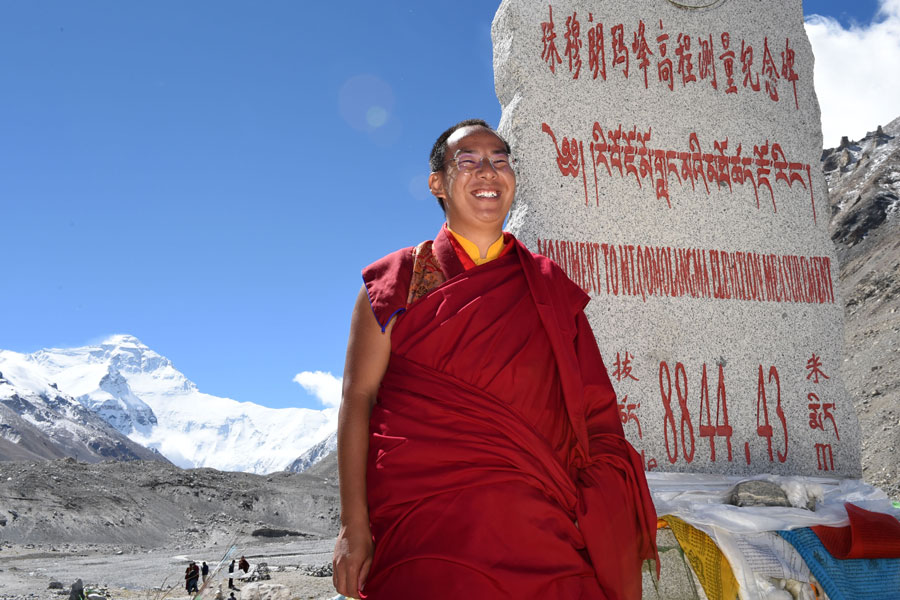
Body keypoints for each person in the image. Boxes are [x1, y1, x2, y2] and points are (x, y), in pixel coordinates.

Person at [331, 119, 658, 599]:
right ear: (437, 183)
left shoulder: (549, 289)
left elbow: (594, 409)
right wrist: (353, 528)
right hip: (426, 529)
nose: (488, 172)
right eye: (468, 161)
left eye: (500, 161)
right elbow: (357, 400)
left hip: (542, 530)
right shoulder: (397, 280)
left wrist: (602, 499)